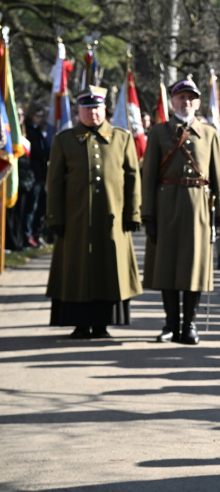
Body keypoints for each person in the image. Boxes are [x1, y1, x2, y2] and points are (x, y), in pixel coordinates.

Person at [45, 87, 142, 338]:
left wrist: (133, 214)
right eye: (87, 108)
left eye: (97, 108)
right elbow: (54, 183)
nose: (93, 113)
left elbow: (133, 179)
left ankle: (102, 325)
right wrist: (55, 217)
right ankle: (79, 324)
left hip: (112, 220)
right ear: (78, 111)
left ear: (105, 109)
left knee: (109, 270)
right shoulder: (64, 140)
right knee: (77, 271)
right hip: (75, 221)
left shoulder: (122, 138)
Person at [141, 78, 220, 345]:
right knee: (167, 267)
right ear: (172, 101)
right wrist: (148, 215)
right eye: (181, 97)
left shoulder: (210, 134)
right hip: (165, 205)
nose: (186, 102)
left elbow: (217, 176)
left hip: (198, 207)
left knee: (194, 268)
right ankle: (170, 324)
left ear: (198, 103)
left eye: (191, 98)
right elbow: (148, 177)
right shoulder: (158, 133)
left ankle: (189, 324)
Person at [23, 102, 50, 247]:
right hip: (32, 174)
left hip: (41, 175)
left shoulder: (38, 130)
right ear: (31, 115)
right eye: (37, 116)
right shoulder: (28, 131)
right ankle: (27, 236)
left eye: (42, 116)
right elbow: (36, 153)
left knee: (40, 206)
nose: (40, 119)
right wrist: (51, 151)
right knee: (30, 207)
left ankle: (36, 234)